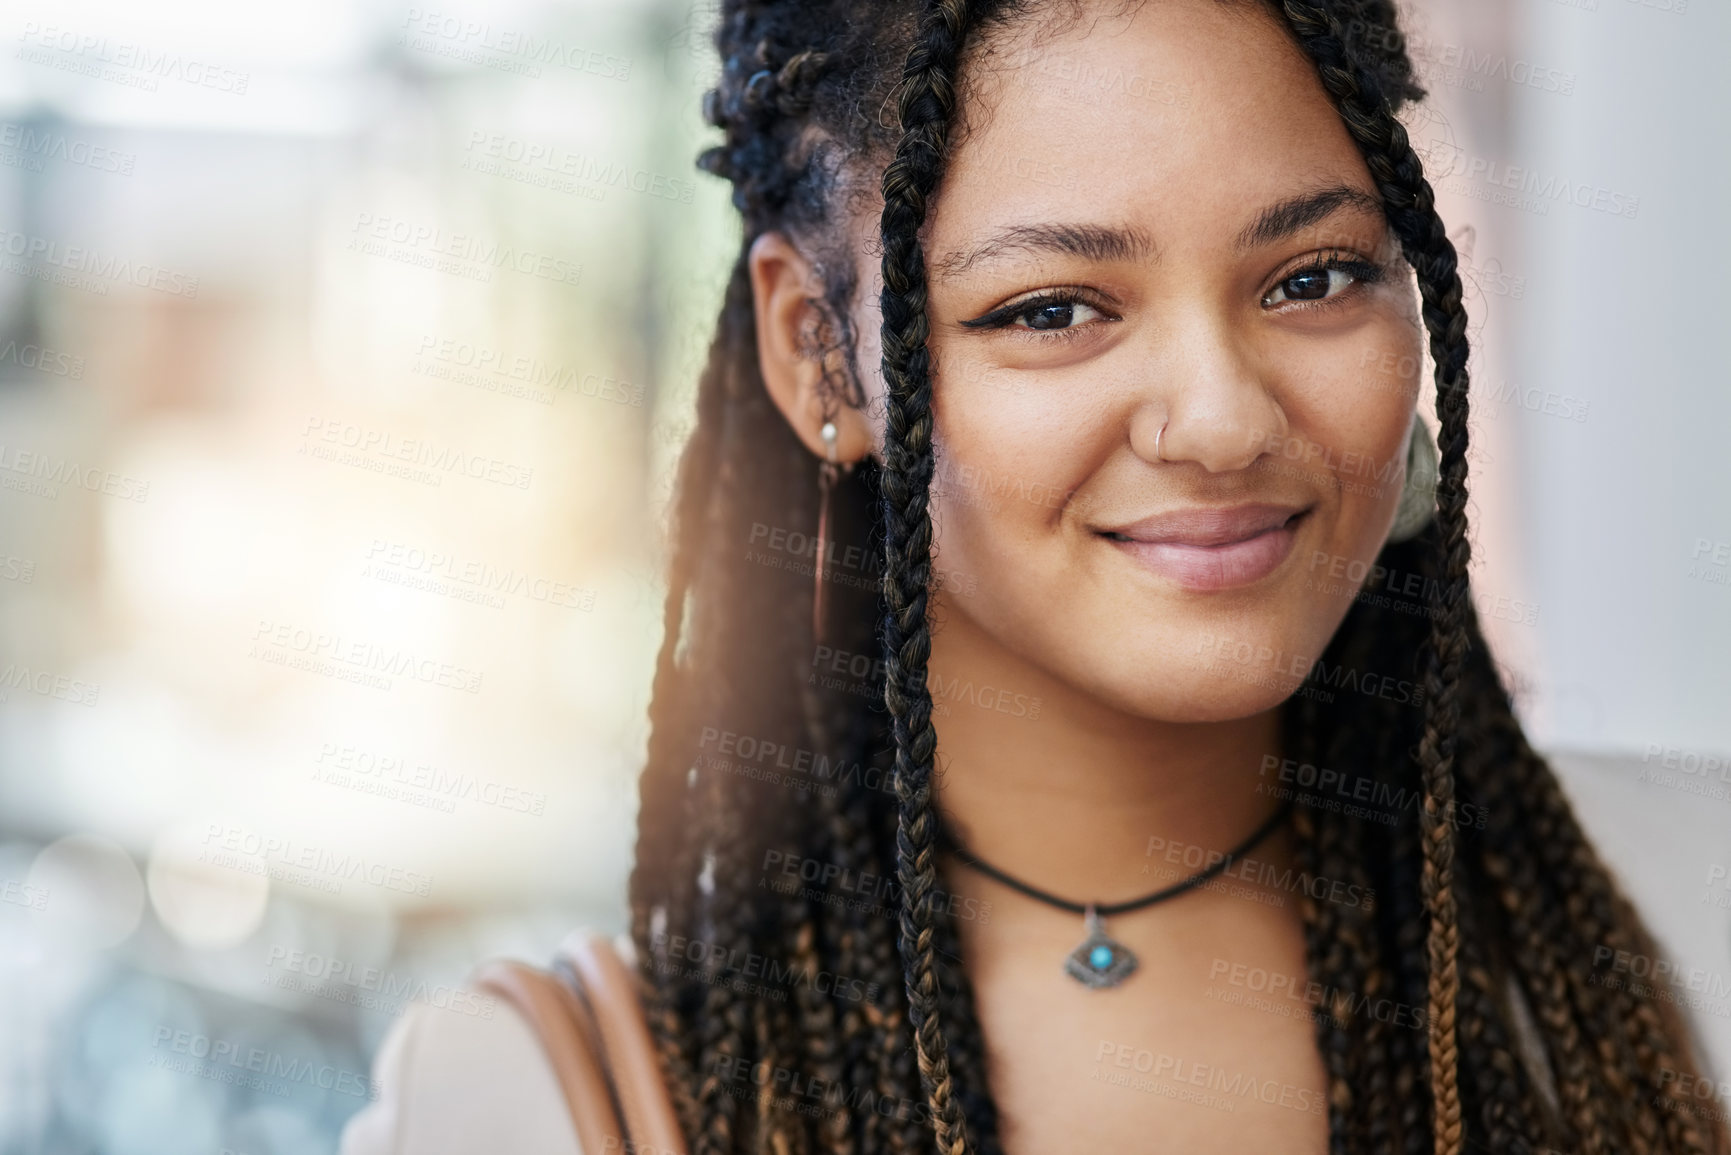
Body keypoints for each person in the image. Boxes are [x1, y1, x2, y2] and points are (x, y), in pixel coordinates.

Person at [343, 0, 1731, 1151]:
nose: (1224, 417)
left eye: (1312, 278)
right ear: (822, 355)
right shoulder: (540, 1098)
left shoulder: (1696, 916)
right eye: (1053, 310)